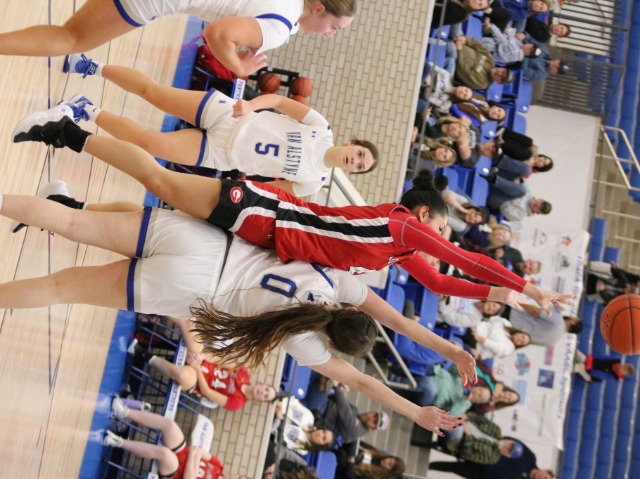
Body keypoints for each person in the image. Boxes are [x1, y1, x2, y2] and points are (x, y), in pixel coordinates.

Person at [0, 184, 472, 435]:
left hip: (206, 245)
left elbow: (399, 321)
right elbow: (365, 383)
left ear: (355, 311)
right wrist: (415, 413)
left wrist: (452, 351)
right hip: (190, 289)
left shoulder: (339, 281)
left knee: (70, 220)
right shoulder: (303, 342)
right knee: (60, 287)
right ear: (334, 342)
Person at [13, 108, 572, 312]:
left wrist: (501, 297)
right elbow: (462, 260)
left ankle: (64, 198)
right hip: (264, 215)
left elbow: (446, 282)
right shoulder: (401, 226)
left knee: (149, 212)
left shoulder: (398, 254)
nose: (443, 238)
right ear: (424, 217)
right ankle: (68, 131)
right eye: (443, 227)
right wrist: (527, 287)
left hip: (257, 238)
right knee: (159, 178)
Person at [61, 62, 378, 196]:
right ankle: (93, 66)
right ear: (354, 143)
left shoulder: (312, 183)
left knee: (148, 144)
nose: (356, 160)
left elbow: (266, 189)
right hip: (231, 117)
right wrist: (252, 105)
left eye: (360, 166)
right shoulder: (320, 127)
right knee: (153, 93)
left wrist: (236, 189)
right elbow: (281, 102)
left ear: (353, 172)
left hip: (223, 155)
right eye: (360, 154)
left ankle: (87, 109)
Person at [0, 0, 355, 77]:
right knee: (70, 38)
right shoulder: (279, 27)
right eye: (334, 28)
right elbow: (217, 33)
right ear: (319, 8)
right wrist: (238, 67)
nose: (328, 36)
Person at [129, 316, 277, 410]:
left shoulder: (237, 402)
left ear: (260, 401)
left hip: (196, 380)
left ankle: (140, 352)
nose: (262, 392)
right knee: (188, 324)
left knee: (181, 375)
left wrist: (197, 368)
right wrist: (201, 358)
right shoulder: (243, 372)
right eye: (266, 389)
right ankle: (152, 308)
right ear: (263, 384)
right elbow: (219, 359)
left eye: (265, 396)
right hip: (199, 360)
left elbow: (207, 392)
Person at [104, 396, 247, 479]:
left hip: (174, 474)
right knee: (170, 426)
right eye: (240, 478)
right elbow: (195, 450)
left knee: (165, 454)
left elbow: (189, 472)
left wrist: (193, 458)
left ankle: (118, 442)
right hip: (182, 453)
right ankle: (125, 412)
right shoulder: (218, 465)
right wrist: (192, 462)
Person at [448, 36, 514, 90]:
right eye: (503, 72)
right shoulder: (490, 60)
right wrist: (464, 40)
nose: (499, 73)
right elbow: (476, 44)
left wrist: (459, 49)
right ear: (502, 68)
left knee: (449, 45)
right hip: (460, 44)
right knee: (457, 25)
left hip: (454, 59)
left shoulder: (482, 83)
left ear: (498, 82)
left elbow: (462, 71)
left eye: (501, 77)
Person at [463, 316, 532, 359]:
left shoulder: (508, 349)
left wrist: (477, 336)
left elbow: (491, 345)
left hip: (475, 341)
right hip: (476, 324)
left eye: (521, 342)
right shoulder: (507, 324)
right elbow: (492, 318)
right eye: (522, 337)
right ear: (520, 332)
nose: (520, 339)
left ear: (519, 346)